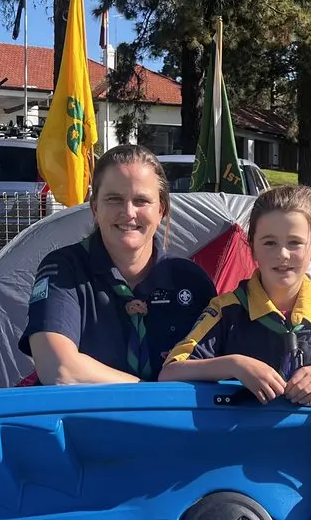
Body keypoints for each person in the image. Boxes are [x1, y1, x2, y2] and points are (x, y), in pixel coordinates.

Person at [161, 185, 311, 403]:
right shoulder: (227, 310)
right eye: (269, 243)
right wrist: (235, 365)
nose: (282, 254)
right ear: (252, 247)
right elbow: (170, 372)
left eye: (295, 243)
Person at [20, 144, 217, 384]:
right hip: (85, 421)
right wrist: (148, 396)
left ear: (161, 210)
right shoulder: (63, 269)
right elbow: (59, 369)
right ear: (95, 208)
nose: (128, 212)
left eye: (141, 200)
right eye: (114, 199)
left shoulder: (191, 281)